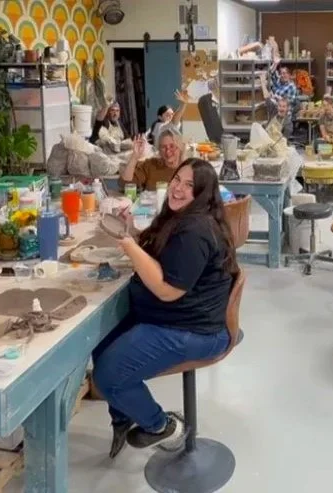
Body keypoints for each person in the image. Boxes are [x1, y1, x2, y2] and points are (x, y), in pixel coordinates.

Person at [92, 158, 238, 457]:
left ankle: (161, 426)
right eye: (177, 180)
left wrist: (129, 246)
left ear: (202, 194)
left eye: (189, 185)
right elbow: (158, 253)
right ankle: (123, 414)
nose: (178, 189)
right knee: (102, 339)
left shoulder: (196, 231)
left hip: (195, 329)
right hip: (174, 316)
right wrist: (131, 231)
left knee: (106, 375)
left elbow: (167, 290)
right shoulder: (181, 216)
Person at [123, 127, 184, 192]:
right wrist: (135, 156)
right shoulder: (151, 165)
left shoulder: (188, 168)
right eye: (163, 147)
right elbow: (126, 183)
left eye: (172, 146)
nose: (168, 151)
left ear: (180, 147)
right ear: (159, 149)